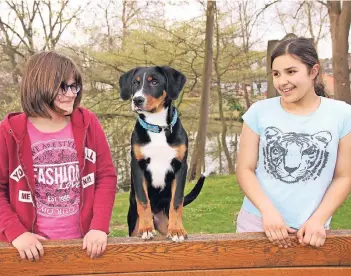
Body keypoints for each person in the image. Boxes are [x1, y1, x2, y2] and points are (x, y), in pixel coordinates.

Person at [0, 51, 117, 261]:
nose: (72, 93)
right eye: (63, 86)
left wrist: (99, 227)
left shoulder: (88, 122)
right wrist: (15, 232)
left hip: (84, 247)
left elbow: (105, 176)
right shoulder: (9, 132)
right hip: (31, 251)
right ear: (39, 85)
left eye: (74, 86)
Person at [236, 37, 351, 248]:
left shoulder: (342, 114)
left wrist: (318, 220)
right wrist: (267, 212)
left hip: (312, 232)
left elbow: (344, 176)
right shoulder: (258, 113)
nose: (282, 82)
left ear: (313, 71)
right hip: (258, 224)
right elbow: (245, 169)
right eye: (276, 74)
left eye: (291, 72)